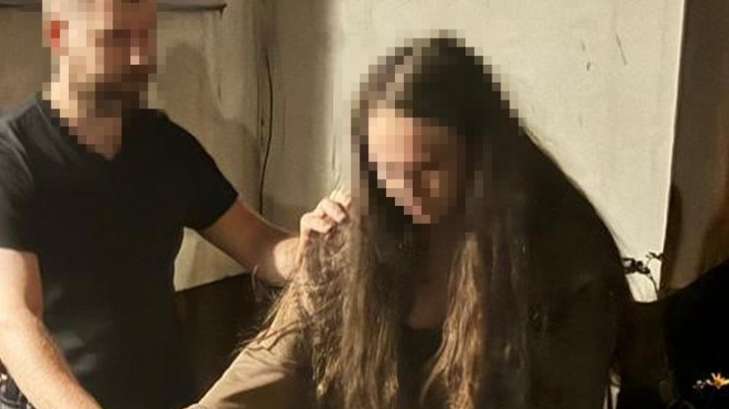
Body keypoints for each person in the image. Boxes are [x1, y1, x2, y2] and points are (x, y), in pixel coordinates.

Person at [189, 35, 635, 409]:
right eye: (388, 171)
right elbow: (270, 366)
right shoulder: (357, 230)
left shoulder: (562, 256)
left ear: (478, 156)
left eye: (426, 168)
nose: (405, 191)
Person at [0, 1, 349, 408]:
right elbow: (15, 320)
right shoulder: (13, 155)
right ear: (59, 36)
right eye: (117, 38)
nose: (140, 56)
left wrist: (311, 247)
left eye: (146, 34)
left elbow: (259, 244)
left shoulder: (166, 146)